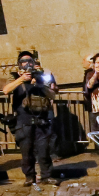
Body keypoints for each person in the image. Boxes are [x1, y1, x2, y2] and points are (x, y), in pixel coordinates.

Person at [4, 56, 58, 186]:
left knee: (43, 150)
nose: (27, 64)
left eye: (29, 61)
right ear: (19, 65)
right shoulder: (15, 78)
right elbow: (5, 90)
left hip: (41, 119)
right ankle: (29, 176)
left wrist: (39, 84)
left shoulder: (40, 77)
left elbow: (52, 95)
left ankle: (46, 176)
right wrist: (21, 79)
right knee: (26, 150)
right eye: (23, 62)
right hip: (24, 120)